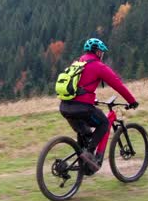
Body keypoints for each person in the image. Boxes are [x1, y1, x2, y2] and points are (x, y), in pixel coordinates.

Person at [58, 38, 138, 173]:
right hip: (82, 108)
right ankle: (89, 154)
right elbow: (118, 84)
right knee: (104, 123)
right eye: (102, 52)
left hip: (65, 107)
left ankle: (83, 164)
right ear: (98, 52)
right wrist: (132, 101)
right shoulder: (98, 66)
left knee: (85, 132)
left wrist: (91, 99)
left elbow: (78, 87)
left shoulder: (77, 63)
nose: (102, 54)